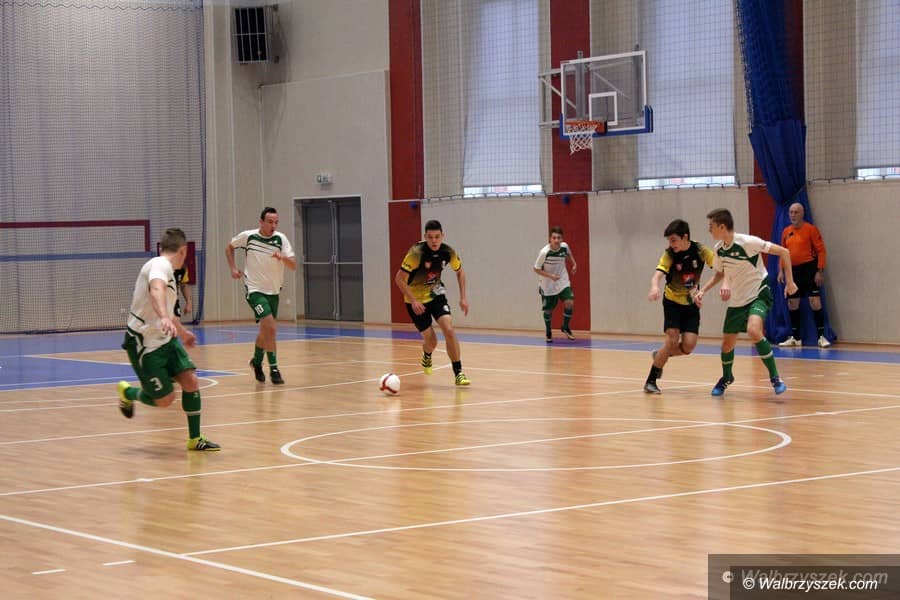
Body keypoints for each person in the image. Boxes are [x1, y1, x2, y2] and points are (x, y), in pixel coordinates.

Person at [116, 228, 220, 451]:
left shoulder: (170, 272)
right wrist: (164, 317)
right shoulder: (159, 265)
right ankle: (128, 393)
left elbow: (168, 308)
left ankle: (195, 439)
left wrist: (182, 332)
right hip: (144, 343)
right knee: (165, 400)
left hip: (166, 338)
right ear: (183, 251)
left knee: (191, 381)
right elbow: (156, 290)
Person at [693, 208, 798, 396]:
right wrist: (703, 290)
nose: (709, 230)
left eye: (711, 226)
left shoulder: (748, 242)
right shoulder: (719, 249)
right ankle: (727, 377)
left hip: (759, 292)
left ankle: (775, 377)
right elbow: (719, 273)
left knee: (753, 330)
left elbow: (784, 252)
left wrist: (790, 282)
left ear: (722, 227)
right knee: (727, 345)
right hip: (738, 299)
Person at [394, 219, 471, 386]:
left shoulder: (448, 252)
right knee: (432, 342)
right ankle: (427, 354)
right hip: (415, 301)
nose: (434, 241)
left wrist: (463, 297)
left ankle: (458, 373)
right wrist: (413, 301)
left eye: (437, 237)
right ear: (425, 237)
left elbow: (460, 272)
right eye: (430, 237)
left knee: (449, 329)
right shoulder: (416, 254)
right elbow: (399, 279)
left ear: (442, 236)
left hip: (436, 294)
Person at [226, 207, 297, 385]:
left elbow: (293, 265)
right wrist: (233, 268)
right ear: (261, 222)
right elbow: (229, 247)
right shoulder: (248, 236)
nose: (273, 225)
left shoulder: (281, 239)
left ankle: (256, 362)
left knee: (266, 330)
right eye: (270, 222)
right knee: (271, 327)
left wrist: (282, 257)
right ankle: (274, 369)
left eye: (276, 222)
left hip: (273, 291)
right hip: (254, 290)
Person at [644, 219, 716, 394]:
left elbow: (720, 267)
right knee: (672, 340)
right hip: (672, 303)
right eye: (669, 241)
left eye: (674, 240)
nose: (671, 244)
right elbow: (657, 274)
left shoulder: (701, 250)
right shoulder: (669, 254)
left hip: (691, 304)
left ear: (685, 237)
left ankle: (660, 355)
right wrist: (654, 286)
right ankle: (651, 381)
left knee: (688, 346)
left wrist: (704, 291)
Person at [777, 202, 830, 348]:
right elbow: (782, 252)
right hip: (792, 271)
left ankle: (821, 337)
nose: (793, 215)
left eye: (796, 212)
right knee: (792, 303)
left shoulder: (811, 229)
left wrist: (819, 271)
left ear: (802, 214)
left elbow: (821, 251)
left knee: (815, 301)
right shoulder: (786, 231)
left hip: (809, 269)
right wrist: (781, 271)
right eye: (791, 212)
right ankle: (796, 338)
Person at [533, 226, 577, 343]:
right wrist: (550, 276)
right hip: (548, 283)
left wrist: (574, 264)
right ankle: (548, 331)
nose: (556, 240)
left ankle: (565, 327)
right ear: (550, 239)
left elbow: (569, 254)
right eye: (554, 238)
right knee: (548, 310)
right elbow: (536, 269)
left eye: (559, 238)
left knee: (569, 302)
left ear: (562, 239)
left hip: (562, 280)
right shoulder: (544, 252)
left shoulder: (564, 247)